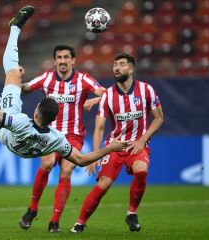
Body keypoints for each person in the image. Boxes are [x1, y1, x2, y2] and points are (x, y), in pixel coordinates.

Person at [0, 6, 128, 173]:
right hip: (23, 151)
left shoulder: (20, 122)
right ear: (53, 121)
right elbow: (81, 160)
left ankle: (14, 27)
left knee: (12, 74)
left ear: (36, 111)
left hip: (9, 134)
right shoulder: (57, 139)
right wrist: (110, 148)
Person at [70, 53, 164, 233]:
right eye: (115, 64)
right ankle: (80, 223)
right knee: (103, 185)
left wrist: (143, 140)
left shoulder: (146, 90)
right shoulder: (108, 96)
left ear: (131, 69)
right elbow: (98, 128)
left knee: (141, 171)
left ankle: (132, 213)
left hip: (137, 143)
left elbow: (159, 118)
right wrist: (96, 154)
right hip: (115, 145)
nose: (117, 67)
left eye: (121, 64)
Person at [18, 45, 105, 232]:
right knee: (47, 164)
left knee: (66, 172)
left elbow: (107, 94)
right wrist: (17, 77)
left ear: (73, 60)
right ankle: (32, 209)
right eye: (59, 57)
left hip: (73, 136)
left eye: (67, 57)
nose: (63, 60)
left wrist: (95, 100)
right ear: (55, 60)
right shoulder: (47, 78)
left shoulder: (83, 80)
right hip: (49, 133)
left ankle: (54, 221)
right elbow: (24, 89)